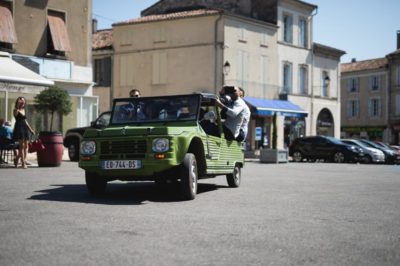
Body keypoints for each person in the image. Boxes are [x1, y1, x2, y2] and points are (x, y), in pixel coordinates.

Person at [13, 97, 35, 169]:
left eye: (23, 100)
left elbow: (25, 121)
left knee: (26, 146)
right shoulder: (16, 110)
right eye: (21, 100)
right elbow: (16, 115)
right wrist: (18, 106)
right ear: (18, 102)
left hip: (25, 128)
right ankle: (23, 163)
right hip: (19, 128)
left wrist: (31, 129)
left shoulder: (24, 110)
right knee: (21, 146)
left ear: (25, 102)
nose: (22, 101)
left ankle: (18, 159)